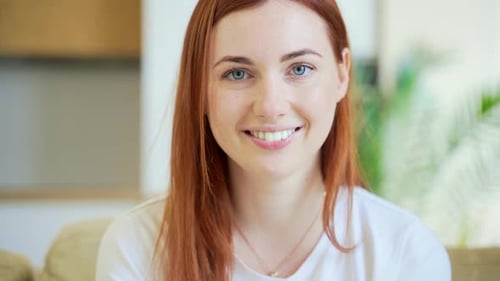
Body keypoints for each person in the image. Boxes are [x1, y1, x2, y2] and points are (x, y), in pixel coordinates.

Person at [96, 0, 451, 280]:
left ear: (342, 74)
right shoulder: (137, 247)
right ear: (199, 90)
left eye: (299, 69)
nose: (270, 106)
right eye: (237, 73)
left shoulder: (405, 252)